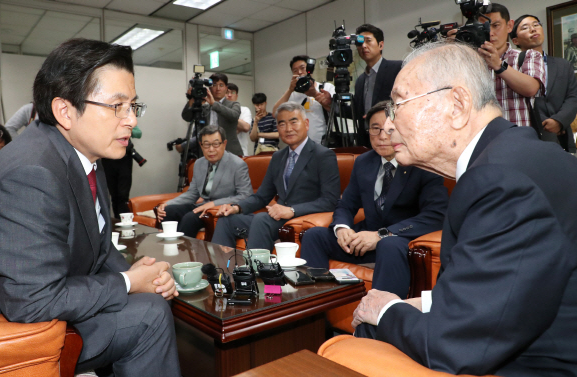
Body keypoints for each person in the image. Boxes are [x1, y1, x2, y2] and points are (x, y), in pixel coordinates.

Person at [0, 39, 181, 377]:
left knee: (149, 301)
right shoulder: (31, 173)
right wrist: (127, 282)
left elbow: (98, 243)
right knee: (149, 315)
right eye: (117, 106)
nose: (130, 121)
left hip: (34, 308)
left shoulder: (82, 155)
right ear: (65, 111)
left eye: (133, 106)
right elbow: (31, 300)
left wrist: (144, 275)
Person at [352, 41, 577, 376]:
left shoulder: (498, 179)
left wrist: (386, 310)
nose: (389, 124)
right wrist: (424, 303)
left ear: (456, 104)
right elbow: (509, 284)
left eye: (398, 104)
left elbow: (455, 345)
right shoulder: (514, 156)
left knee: (369, 332)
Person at [300, 101, 448, 299]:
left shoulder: (422, 161)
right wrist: (342, 227)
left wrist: (382, 235)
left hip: (401, 241)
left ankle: (380, 321)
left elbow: (436, 215)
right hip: (363, 240)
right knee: (314, 236)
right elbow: (346, 204)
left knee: (388, 245)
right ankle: (315, 305)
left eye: (389, 129)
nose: (382, 137)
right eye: (375, 129)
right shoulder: (364, 162)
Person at [212, 102, 340, 251]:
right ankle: (221, 271)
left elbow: (330, 201)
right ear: (278, 128)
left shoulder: (323, 155)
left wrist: (291, 210)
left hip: (302, 217)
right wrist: (236, 208)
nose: (288, 129)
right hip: (276, 219)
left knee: (262, 219)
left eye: (293, 122)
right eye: (282, 124)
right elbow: (261, 197)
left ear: (306, 124)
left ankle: (254, 272)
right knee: (226, 220)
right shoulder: (278, 157)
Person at [451, 3, 545, 128]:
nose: (490, 32)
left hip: (518, 137)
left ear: (509, 26)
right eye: (483, 26)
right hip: (483, 138)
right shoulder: (468, 62)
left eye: (495, 25)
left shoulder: (528, 56)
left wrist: (499, 65)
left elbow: (531, 88)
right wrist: (451, 51)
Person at [157, 125, 252, 238]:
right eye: (206, 144)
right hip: (203, 206)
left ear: (224, 144)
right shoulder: (199, 163)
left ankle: (183, 252)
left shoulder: (238, 164)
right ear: (201, 146)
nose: (211, 149)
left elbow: (246, 196)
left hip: (222, 209)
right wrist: (167, 203)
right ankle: (167, 248)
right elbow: (192, 194)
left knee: (190, 218)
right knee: (167, 212)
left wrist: (213, 204)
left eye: (216, 144)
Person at [321, 24, 402, 148]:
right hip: (366, 140)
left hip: (392, 136)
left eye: (368, 41)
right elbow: (357, 112)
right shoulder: (360, 80)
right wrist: (331, 104)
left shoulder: (397, 69)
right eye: (360, 43)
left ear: (381, 45)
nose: (363, 46)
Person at [511, 14, 577, 153]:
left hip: (560, 137)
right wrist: (544, 123)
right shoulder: (511, 69)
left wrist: (559, 121)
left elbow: (573, 97)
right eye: (525, 27)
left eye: (536, 25)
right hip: (525, 135)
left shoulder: (563, 65)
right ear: (515, 40)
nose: (533, 29)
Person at [272, 55, 336, 144]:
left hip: (323, 143)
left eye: (303, 68)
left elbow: (336, 110)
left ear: (310, 69)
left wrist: (315, 94)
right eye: (295, 71)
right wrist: (290, 89)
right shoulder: (292, 94)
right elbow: (275, 113)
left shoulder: (326, 88)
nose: (299, 72)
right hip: (300, 145)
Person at [181, 72, 242, 156]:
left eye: (221, 85)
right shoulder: (204, 108)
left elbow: (234, 116)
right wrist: (192, 100)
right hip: (208, 153)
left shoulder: (234, 104)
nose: (218, 89)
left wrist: (214, 104)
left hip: (229, 152)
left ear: (226, 88)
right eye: (214, 85)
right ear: (209, 88)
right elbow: (186, 117)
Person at [102, 124, 142, 218]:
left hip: (124, 159)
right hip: (108, 158)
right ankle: (117, 221)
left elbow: (138, 133)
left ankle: (125, 221)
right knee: (113, 194)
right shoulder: (106, 120)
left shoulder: (127, 121)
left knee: (123, 195)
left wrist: (123, 130)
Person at [226, 83, 252, 156]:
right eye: (227, 92)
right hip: (222, 153)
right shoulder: (218, 110)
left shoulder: (244, 110)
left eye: (233, 92)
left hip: (241, 152)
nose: (230, 95)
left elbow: (246, 127)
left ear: (236, 96)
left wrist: (227, 113)